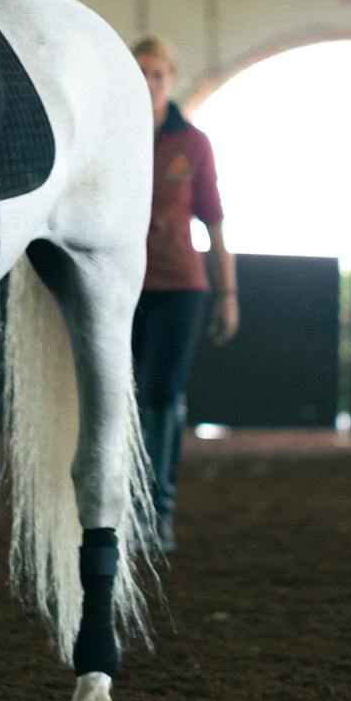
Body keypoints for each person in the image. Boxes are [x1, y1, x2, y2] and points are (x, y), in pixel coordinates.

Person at [131, 35, 237, 550]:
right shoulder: (111, 133)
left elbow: (214, 223)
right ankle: (119, 505)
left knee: (160, 395)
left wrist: (228, 292)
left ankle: (157, 509)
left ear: (172, 78)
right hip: (119, 283)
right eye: (141, 71)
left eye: (157, 74)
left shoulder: (193, 144)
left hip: (177, 285)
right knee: (120, 397)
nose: (149, 82)